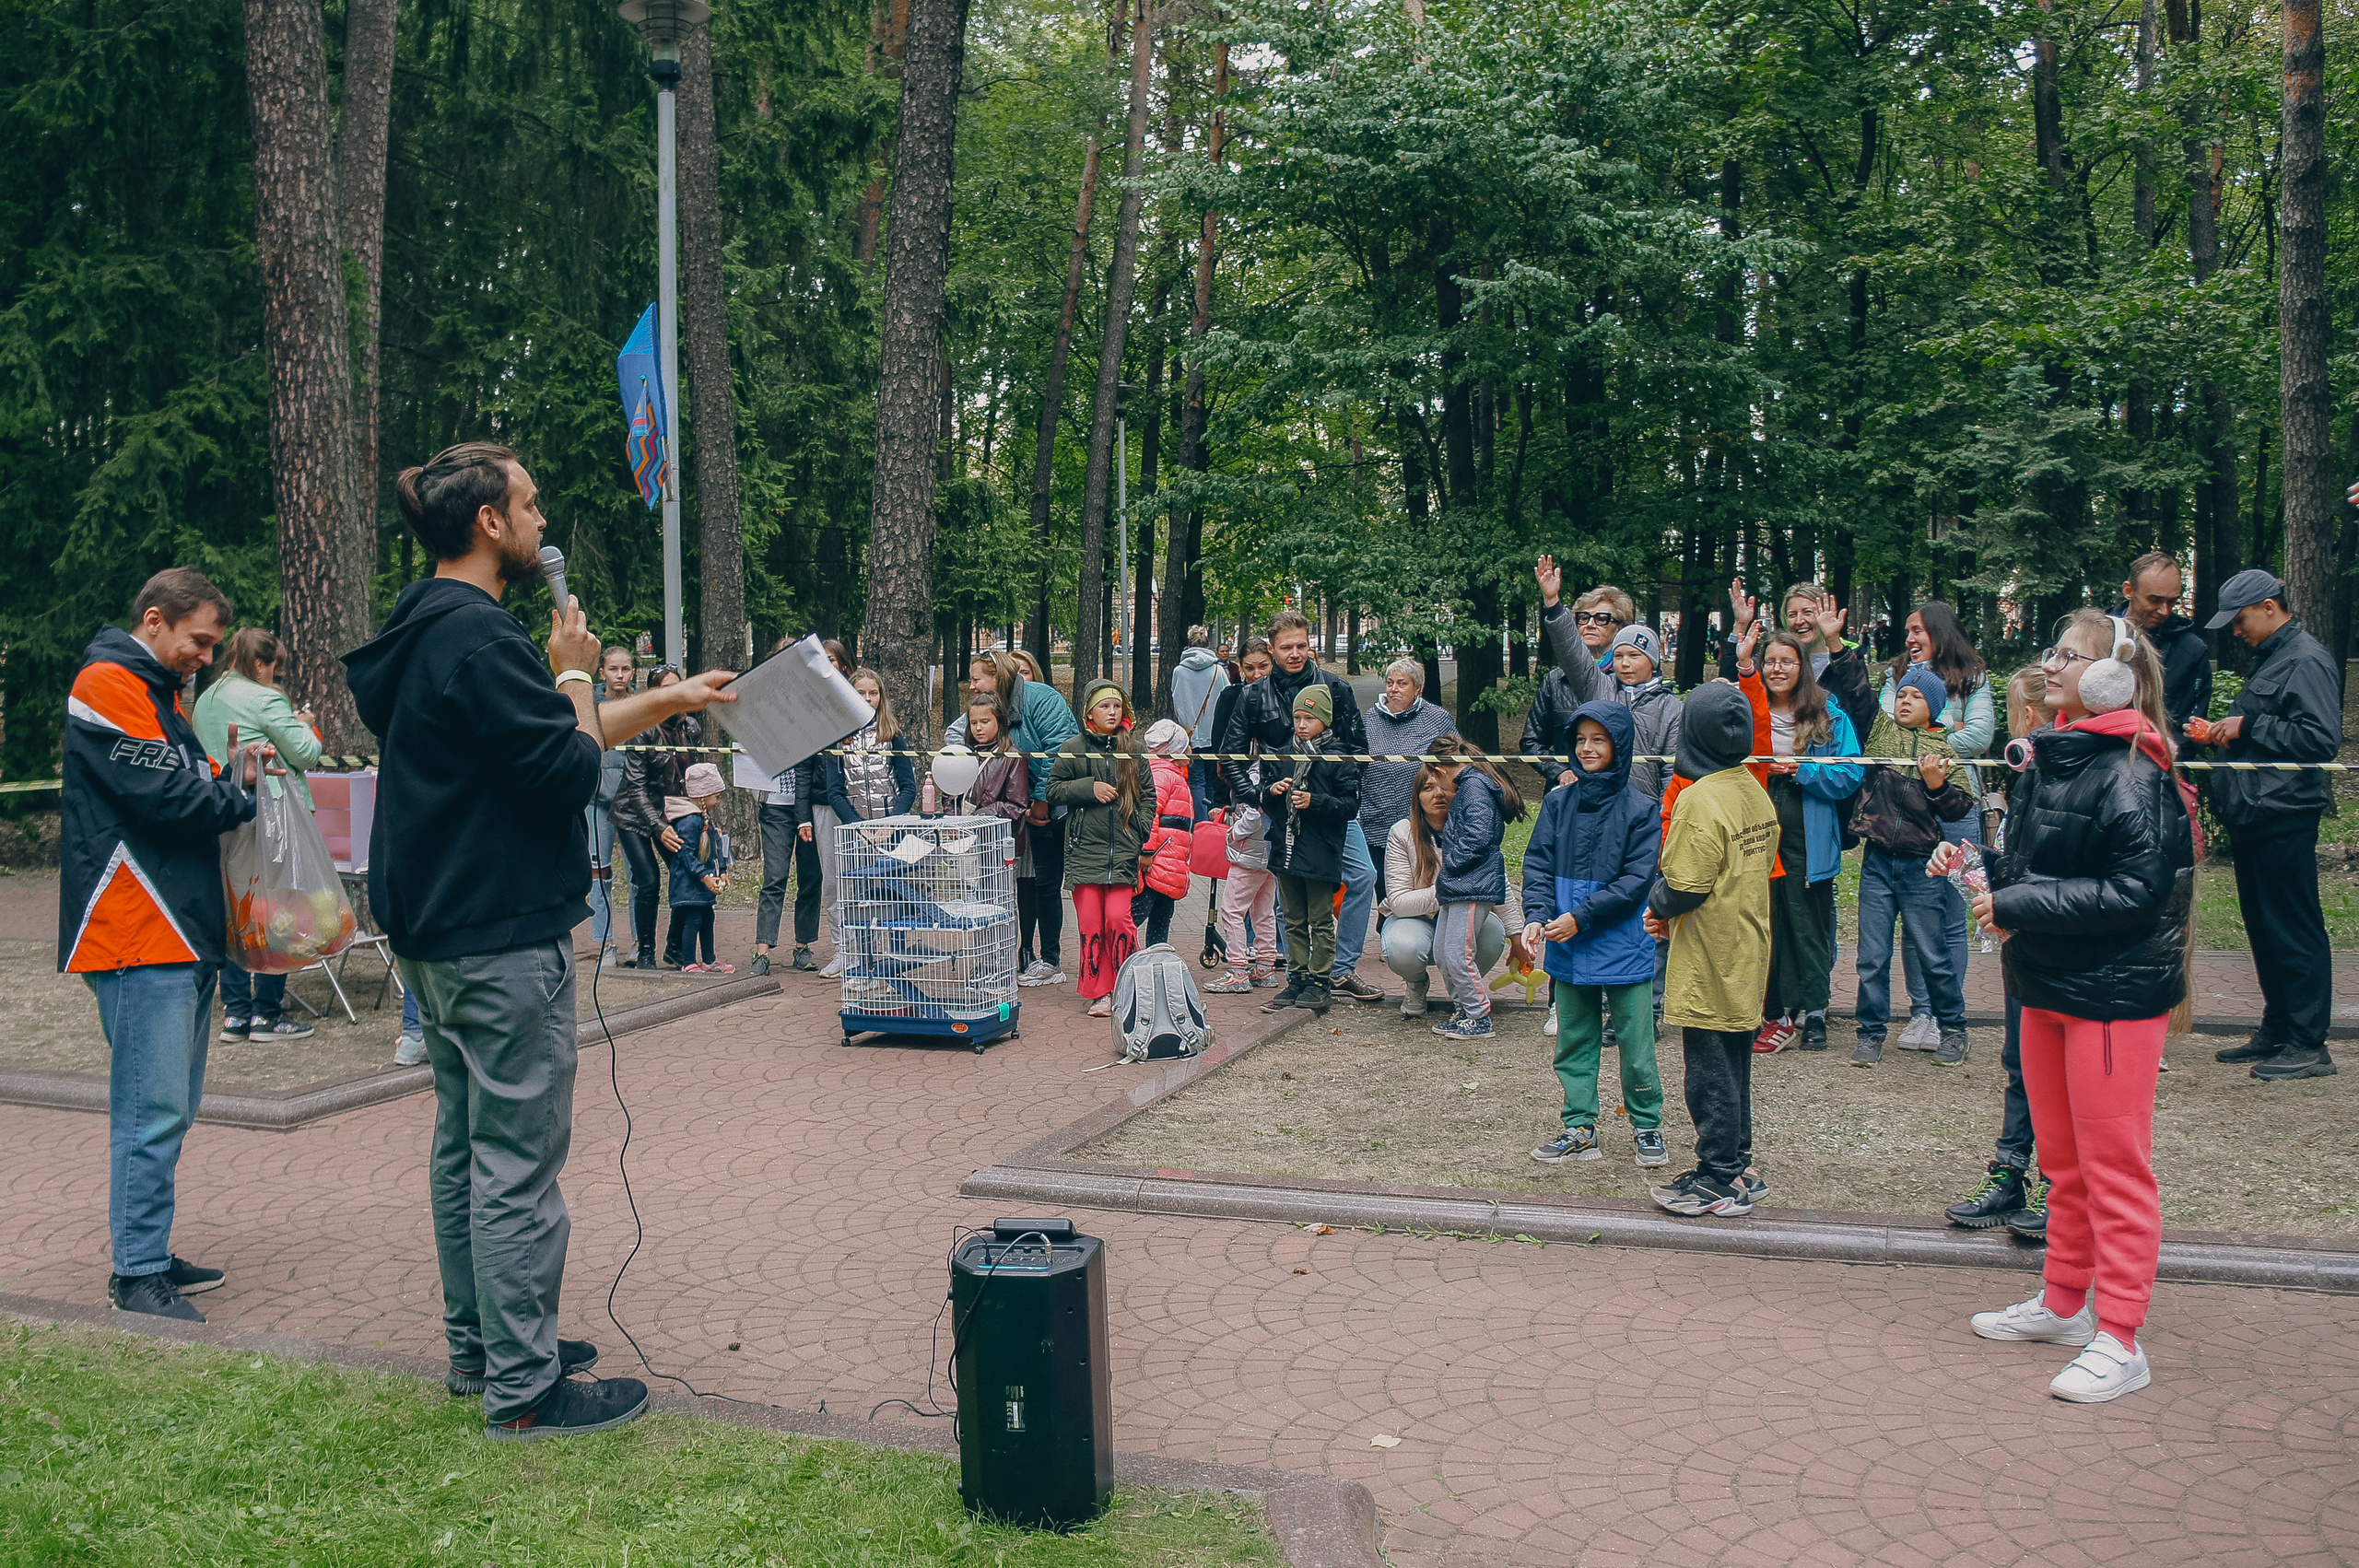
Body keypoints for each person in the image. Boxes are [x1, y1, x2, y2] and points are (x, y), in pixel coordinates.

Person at [344, 439, 735, 1438]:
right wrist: (570, 672)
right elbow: (564, 771)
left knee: (465, 1143)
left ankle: (483, 1346)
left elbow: (548, 740)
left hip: (438, 928)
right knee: (515, 1157)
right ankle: (525, 1388)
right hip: (497, 933)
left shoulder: (426, 626)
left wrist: (672, 700)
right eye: (528, 500)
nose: (539, 516)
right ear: (487, 521)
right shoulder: (482, 641)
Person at [1964, 608, 2195, 1404]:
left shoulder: (2134, 768)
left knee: (2113, 1169)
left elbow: (2135, 891)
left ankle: (2121, 1337)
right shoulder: (2057, 758)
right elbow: (2046, 864)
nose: (2052, 663)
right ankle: (2064, 1304)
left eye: (2071, 654)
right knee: (2062, 1163)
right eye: (2053, 650)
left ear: (2110, 679)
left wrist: (2017, 899)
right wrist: (1984, 866)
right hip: (2049, 985)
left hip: (2113, 997)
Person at [61, 567, 261, 1322]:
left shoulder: (156, 695)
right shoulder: (108, 683)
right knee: (150, 1109)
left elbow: (201, 778)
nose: (205, 657)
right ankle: (137, 1271)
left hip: (174, 929)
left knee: (169, 1105)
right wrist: (233, 792)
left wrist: (229, 781)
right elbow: (176, 796)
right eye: (199, 641)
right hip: (135, 929)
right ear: (154, 620)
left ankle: (149, 1249)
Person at [2192, 569, 2342, 1080]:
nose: (2236, 631)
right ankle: (2279, 1028)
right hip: (2258, 814)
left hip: (2285, 815)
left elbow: (2320, 740)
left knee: (2293, 926)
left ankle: (2308, 1042)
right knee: (2264, 927)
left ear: (2270, 606)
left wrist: (2249, 725)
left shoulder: (2306, 659)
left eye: (2239, 620)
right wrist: (2226, 734)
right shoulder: (2278, 657)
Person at [1642, 683, 1778, 1217]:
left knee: (1709, 1072)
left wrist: (1658, 904)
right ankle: (1738, 1162)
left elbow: (1685, 884)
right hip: (1748, 945)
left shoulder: (1699, 798)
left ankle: (1719, 1175)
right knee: (1735, 1062)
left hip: (1711, 954)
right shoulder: (1751, 787)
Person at [1519, 700, 1668, 1168]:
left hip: (1622, 942)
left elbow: (1635, 881)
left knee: (1635, 1043)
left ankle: (1648, 1127)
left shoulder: (1642, 810)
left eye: (1598, 739)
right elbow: (1538, 862)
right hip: (1567, 941)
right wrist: (1537, 915)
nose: (1586, 748)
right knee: (1574, 1041)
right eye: (1580, 739)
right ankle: (1579, 1128)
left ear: (1619, 745)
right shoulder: (1558, 802)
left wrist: (1580, 917)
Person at [1217, 612, 1381, 1001]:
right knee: (1288, 891)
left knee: (1361, 877)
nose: (1295, 653)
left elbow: (1359, 751)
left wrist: (1341, 796)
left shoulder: (1335, 687)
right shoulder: (1253, 694)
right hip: (1281, 811)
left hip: (1329, 812)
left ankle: (1338, 971)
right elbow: (1229, 755)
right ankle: (1301, 975)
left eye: (1302, 646)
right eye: (1287, 647)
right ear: (1271, 648)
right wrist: (1258, 797)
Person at [1946, 664, 2053, 1237]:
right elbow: (2017, 861)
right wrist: (1973, 866)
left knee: (2058, 1074)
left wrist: (2018, 901)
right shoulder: (2026, 777)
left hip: (2062, 952)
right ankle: (2011, 1172)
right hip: (2024, 952)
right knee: (2021, 1063)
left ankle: (2063, 1188)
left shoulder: (2069, 775)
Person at [1731, 624, 1863, 1052]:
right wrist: (1745, 660)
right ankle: (1774, 1012)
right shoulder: (1750, 709)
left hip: (1809, 831)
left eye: (1787, 661)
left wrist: (1802, 769)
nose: (1777, 668)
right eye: (1771, 661)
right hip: (1758, 826)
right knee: (1765, 922)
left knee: (1807, 924)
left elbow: (1850, 773)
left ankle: (1816, 1012)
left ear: (1802, 667)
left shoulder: (1829, 713)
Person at [192, 627, 323, 1044]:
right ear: (260, 664)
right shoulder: (265, 697)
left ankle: (235, 1013)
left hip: (221, 809)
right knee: (278, 908)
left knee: (238, 909)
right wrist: (303, 724)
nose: (275, 677)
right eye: (274, 669)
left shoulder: (206, 699)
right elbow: (305, 753)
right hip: (270, 815)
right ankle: (268, 1013)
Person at [1848, 665, 1978, 1066]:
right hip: (1877, 863)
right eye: (1901, 694)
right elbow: (1859, 695)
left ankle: (1954, 1029)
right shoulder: (1883, 733)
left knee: (1932, 954)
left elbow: (1960, 808)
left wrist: (1936, 784)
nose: (1905, 701)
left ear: (1934, 708)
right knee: (1871, 954)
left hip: (1922, 867)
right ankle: (1871, 1033)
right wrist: (1837, 648)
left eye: (1916, 697)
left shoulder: (1947, 753)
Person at [1884, 601, 1993, 1049]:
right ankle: (1920, 1013)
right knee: (1915, 915)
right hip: (1908, 808)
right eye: (1907, 631)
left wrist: (1928, 725)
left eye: (1918, 631)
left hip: (1958, 806)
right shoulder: (1894, 674)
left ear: (1941, 632)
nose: (1910, 639)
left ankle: (1948, 1011)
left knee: (1950, 911)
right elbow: (1891, 727)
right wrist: (1951, 723)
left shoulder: (1973, 677)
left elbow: (1982, 736)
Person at [1049, 679, 1157, 1017]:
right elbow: (1053, 790)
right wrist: (1088, 788)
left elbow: (1149, 796)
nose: (1112, 712)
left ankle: (1129, 985)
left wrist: (1139, 833)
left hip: (1123, 854)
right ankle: (1100, 992)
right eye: (1104, 706)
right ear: (1089, 714)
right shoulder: (1073, 747)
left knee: (1118, 918)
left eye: (1116, 706)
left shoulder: (1134, 749)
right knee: (1092, 924)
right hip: (1084, 853)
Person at [1258, 684, 1364, 1015]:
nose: (1302, 725)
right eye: (1298, 718)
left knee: (1320, 920)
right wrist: (1271, 792)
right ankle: (1297, 977)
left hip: (1320, 853)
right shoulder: (1285, 755)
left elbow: (1350, 805)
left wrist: (1315, 802)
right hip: (1286, 851)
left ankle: (1320, 981)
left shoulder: (1338, 757)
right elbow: (1267, 802)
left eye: (1310, 718)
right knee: (1292, 919)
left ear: (1325, 721)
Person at [980, 647, 1081, 988]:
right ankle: (1025, 954)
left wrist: (1042, 801)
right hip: (1022, 806)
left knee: (1050, 882)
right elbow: (963, 731)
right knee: (1033, 883)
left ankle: (1052, 959)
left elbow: (1058, 749)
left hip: (1055, 804)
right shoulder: (995, 704)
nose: (971, 685)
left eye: (977, 678)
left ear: (997, 676)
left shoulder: (1043, 699)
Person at [1377, 765, 1505, 1014]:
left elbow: (1498, 883)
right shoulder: (1402, 832)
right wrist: (1454, 890)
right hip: (1415, 919)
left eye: (1447, 788)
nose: (1439, 794)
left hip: (1463, 916)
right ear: (1416, 797)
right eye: (1428, 788)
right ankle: (1416, 984)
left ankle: (1465, 1000)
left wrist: (1519, 935)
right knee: (1402, 947)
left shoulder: (1475, 828)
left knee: (1494, 934)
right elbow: (1400, 902)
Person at [1422, 732, 1525, 1040]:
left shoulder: (1474, 787)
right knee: (1442, 951)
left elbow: (1479, 837)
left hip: (1473, 883)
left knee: (1457, 953)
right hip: (1460, 883)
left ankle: (1478, 1016)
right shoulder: (1472, 785)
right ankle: (1463, 1010)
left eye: (1434, 779)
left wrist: (1451, 864)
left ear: (1440, 770)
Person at [818, 666, 918, 978]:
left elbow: (909, 786)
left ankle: (898, 961)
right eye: (861, 693)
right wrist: (859, 827)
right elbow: (834, 793)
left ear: (881, 697)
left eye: (873, 693)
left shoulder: (893, 735)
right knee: (860, 899)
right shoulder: (838, 740)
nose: (867, 698)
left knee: (895, 896)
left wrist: (891, 823)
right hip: (856, 834)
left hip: (891, 831)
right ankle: (864, 963)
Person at [607, 665, 701, 970]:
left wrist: (701, 814)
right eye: (666, 688)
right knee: (648, 880)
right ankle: (645, 952)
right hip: (633, 814)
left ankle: (674, 949)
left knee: (686, 872)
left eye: (678, 687)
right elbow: (635, 787)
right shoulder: (642, 728)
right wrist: (658, 826)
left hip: (671, 809)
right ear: (655, 693)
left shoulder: (692, 728)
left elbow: (696, 776)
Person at [1359, 657, 1458, 904]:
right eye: (1390, 683)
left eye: (1402, 683)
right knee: (1387, 898)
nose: (1393, 689)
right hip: (1376, 822)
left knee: (1423, 892)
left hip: (1423, 824)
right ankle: (1388, 938)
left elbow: (1456, 764)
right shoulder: (1369, 720)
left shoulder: (1437, 718)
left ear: (1418, 688)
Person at [2115, 551, 2211, 730]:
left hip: (2164, 753)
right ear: (2129, 591)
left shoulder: (2192, 650)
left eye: (2172, 602)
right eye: (2154, 600)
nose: (2164, 611)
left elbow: (2191, 724)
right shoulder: (2095, 636)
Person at [586, 645, 638, 962]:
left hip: (632, 801)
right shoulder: (589, 702)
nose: (620, 675)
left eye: (626, 669)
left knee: (638, 876)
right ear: (602, 671)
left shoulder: (640, 702)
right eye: (613, 669)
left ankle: (638, 941)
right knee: (599, 873)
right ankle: (605, 943)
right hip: (595, 801)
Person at [662, 762, 733, 973]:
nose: (718, 801)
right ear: (703, 796)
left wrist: (722, 872)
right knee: (693, 919)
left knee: (708, 916)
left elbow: (716, 848)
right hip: (688, 884)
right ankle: (689, 961)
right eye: (716, 796)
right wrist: (704, 876)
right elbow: (686, 854)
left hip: (702, 884)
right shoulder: (690, 821)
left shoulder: (704, 819)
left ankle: (709, 959)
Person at [1133, 718, 1195, 948]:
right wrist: (1147, 849)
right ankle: (1117, 960)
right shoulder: (1162, 775)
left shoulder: (1173, 774)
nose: (1191, 751)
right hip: (1156, 863)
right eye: (1186, 746)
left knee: (1162, 916)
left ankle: (1156, 962)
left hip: (1169, 865)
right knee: (1137, 913)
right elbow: (1149, 813)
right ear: (1175, 750)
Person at [1169, 625, 1231, 821]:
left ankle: (1199, 823)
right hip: (1214, 735)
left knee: (1196, 781)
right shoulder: (1218, 671)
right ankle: (1213, 822)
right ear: (1208, 645)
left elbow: (1176, 701)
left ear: (1188, 645)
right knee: (1213, 781)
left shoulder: (1179, 671)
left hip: (1191, 735)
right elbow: (1227, 700)